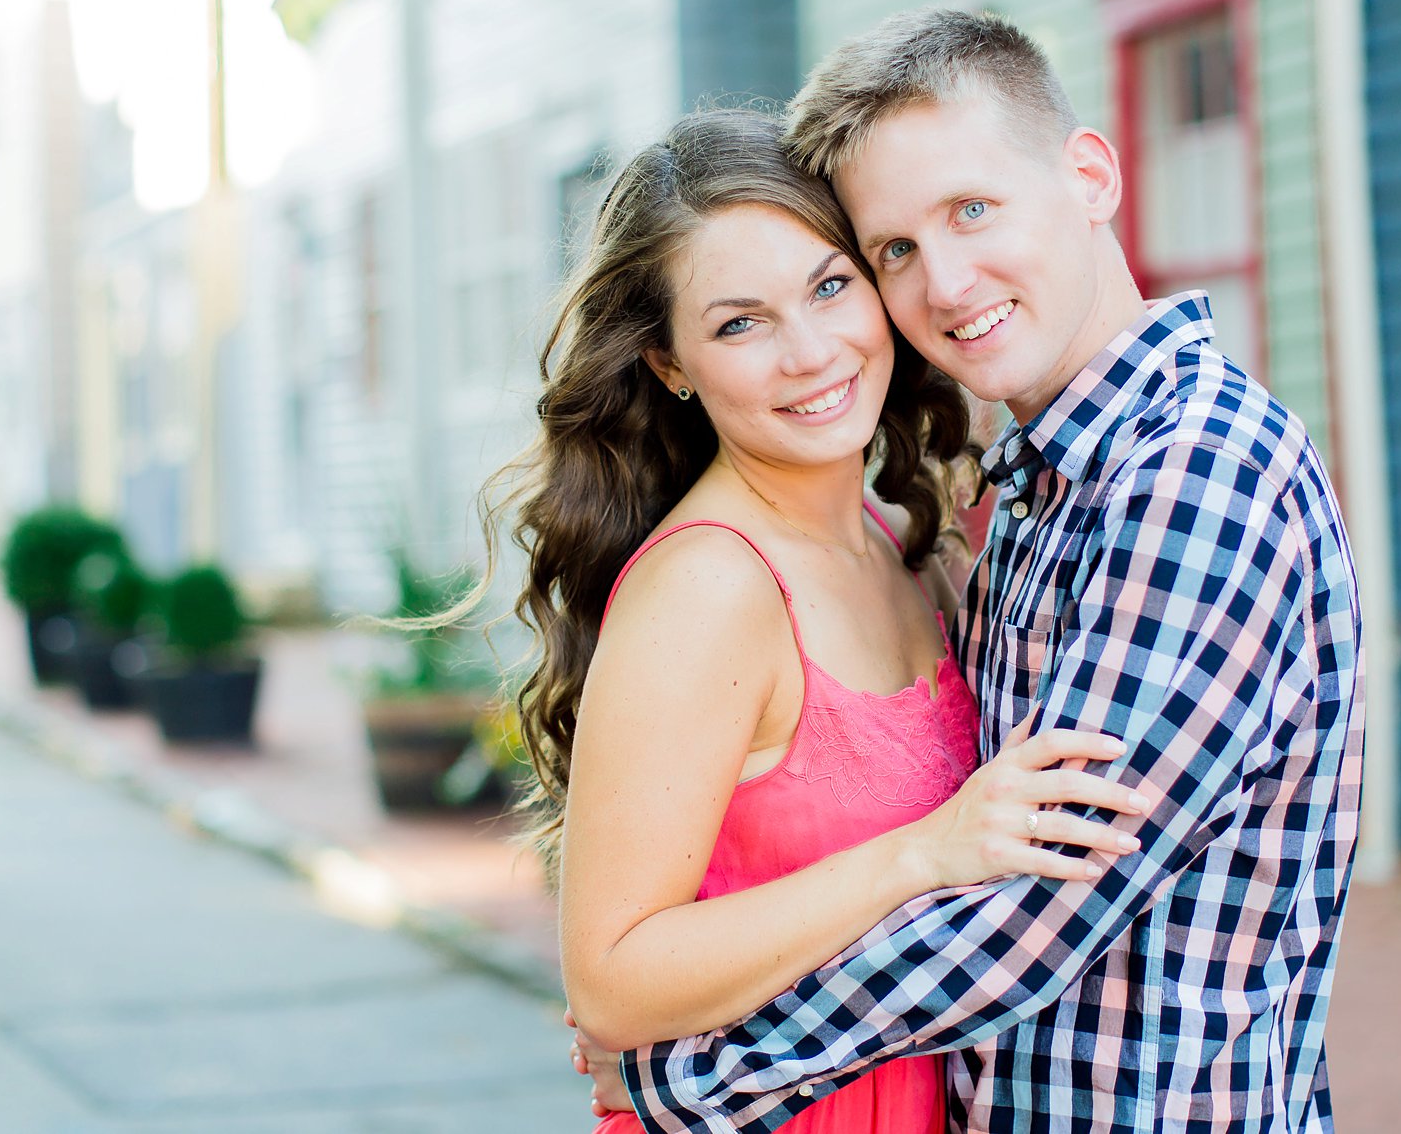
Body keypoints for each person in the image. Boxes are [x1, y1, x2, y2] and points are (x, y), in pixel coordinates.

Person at [602, 10, 1367, 1133]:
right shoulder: (1028, 493)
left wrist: (689, 1072)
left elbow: (1037, 907)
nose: (947, 282)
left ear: (1090, 174)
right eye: (895, 252)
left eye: (971, 210)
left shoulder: (1197, 473)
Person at [486, 108, 1149, 1134]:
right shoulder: (708, 588)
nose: (809, 352)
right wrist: (921, 852)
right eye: (738, 323)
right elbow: (612, 978)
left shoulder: (911, 545)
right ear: (670, 364)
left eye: (829, 286)